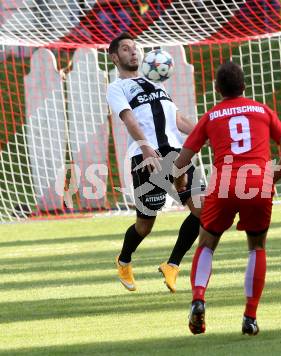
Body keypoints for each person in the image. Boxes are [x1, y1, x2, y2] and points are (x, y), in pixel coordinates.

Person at [172, 62, 281, 335]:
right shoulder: (262, 110)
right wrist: (271, 178)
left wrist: (182, 186)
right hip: (258, 184)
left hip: (225, 184)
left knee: (206, 244)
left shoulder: (211, 116)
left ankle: (198, 298)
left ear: (217, 89)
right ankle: (250, 317)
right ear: (244, 86)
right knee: (256, 247)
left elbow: (180, 162)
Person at [106, 32, 205, 293]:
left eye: (135, 48)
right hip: (147, 158)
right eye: (126, 49)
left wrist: (203, 133)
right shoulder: (116, 88)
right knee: (145, 224)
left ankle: (172, 264)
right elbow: (129, 120)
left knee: (204, 212)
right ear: (115, 57)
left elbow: (177, 119)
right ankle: (124, 259)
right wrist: (146, 147)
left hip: (176, 154)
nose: (133, 52)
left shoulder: (157, 83)